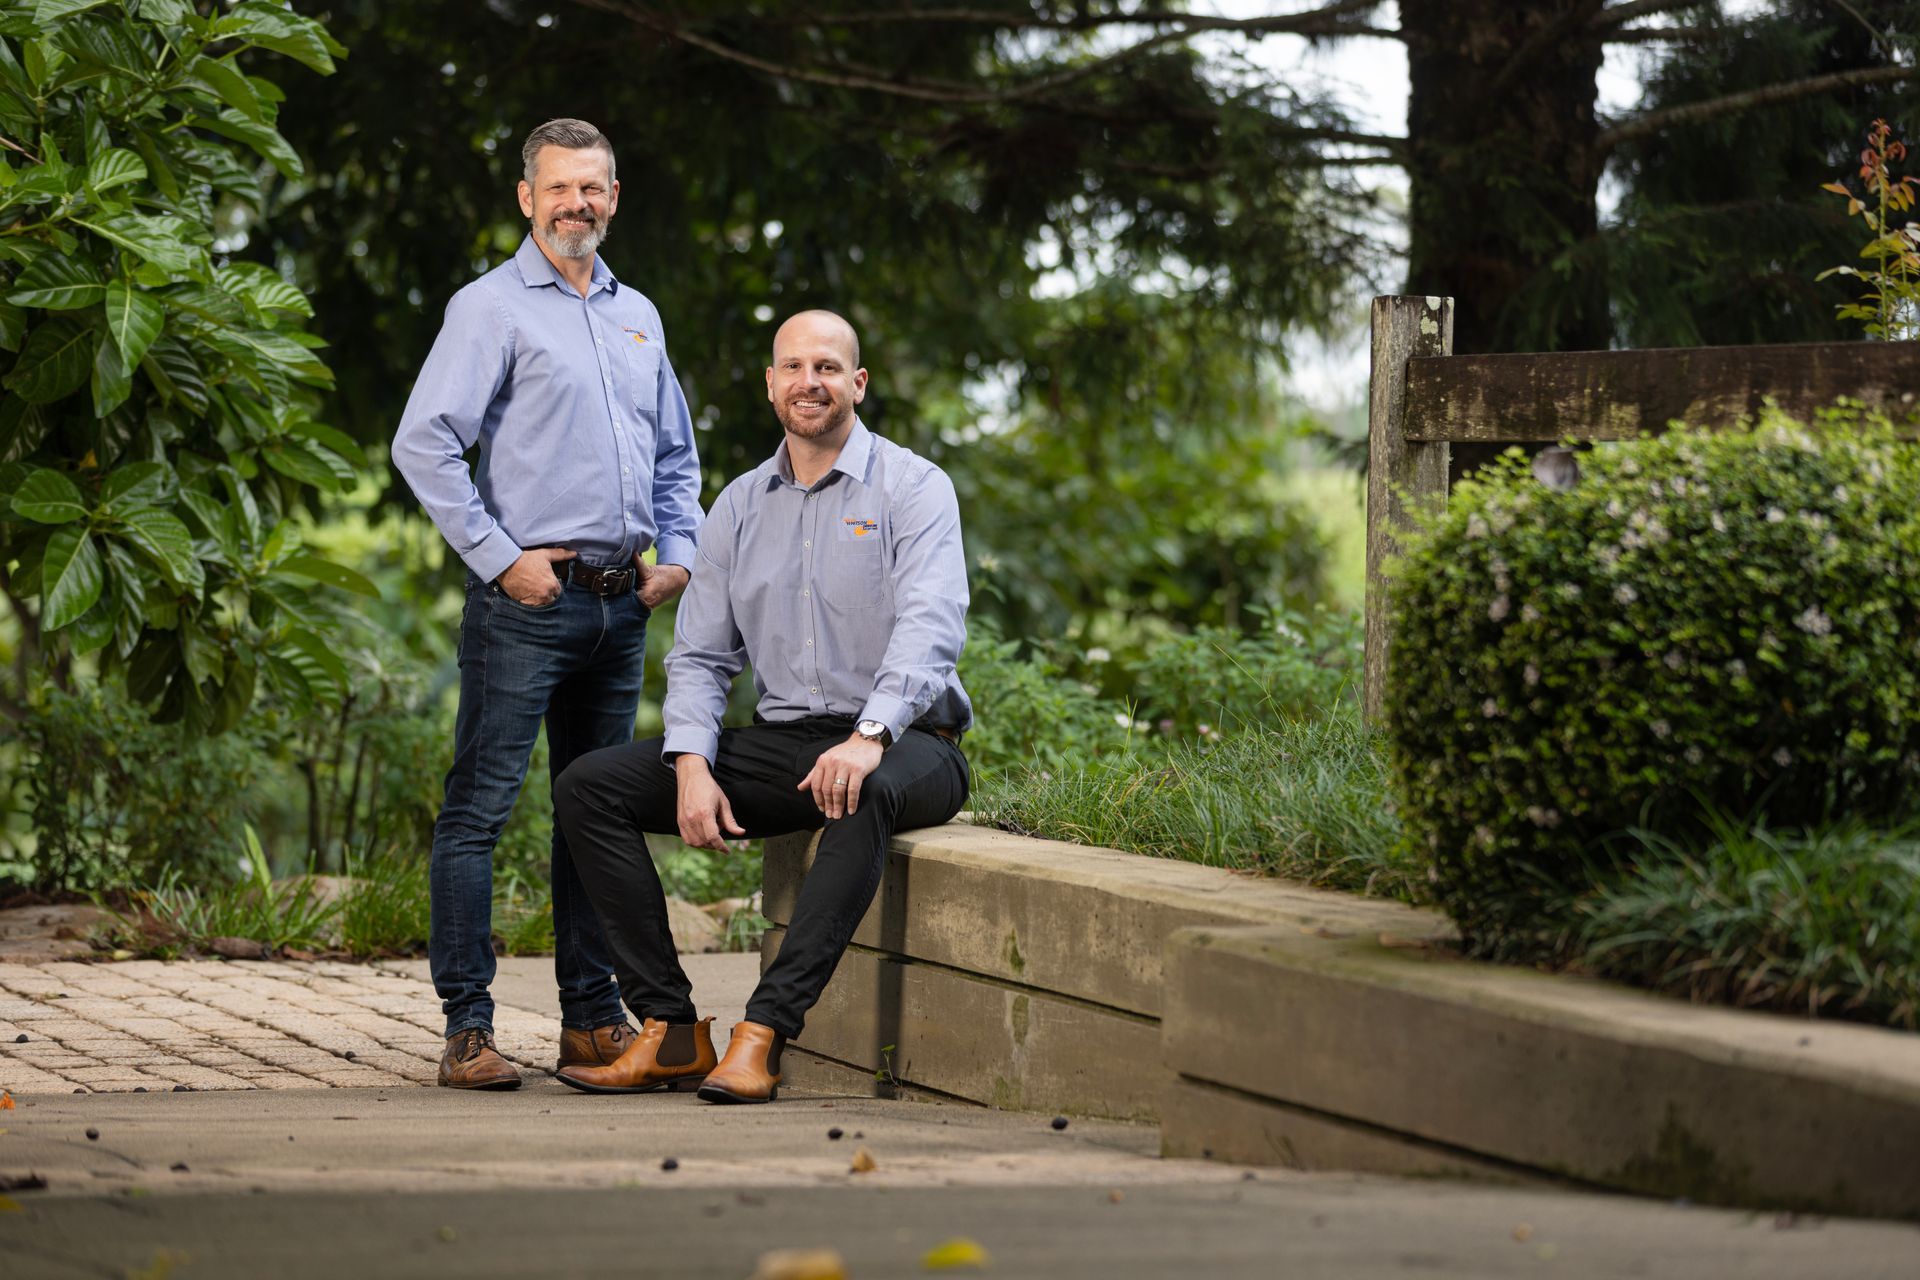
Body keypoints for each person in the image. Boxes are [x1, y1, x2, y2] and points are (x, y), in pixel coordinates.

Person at [550, 309, 971, 1102]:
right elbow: (702, 657)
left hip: (912, 743)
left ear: (857, 383)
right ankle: (671, 1029)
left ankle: (764, 1034)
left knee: (862, 790)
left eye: (828, 367)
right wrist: (691, 764)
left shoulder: (914, 487)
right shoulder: (739, 506)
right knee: (589, 786)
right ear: (772, 385)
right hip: (791, 744)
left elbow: (931, 628)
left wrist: (869, 736)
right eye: (794, 368)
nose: (810, 382)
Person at [392, 118, 702, 1090]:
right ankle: (468, 1028)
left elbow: (675, 454)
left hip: (620, 605)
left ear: (614, 197)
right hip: (526, 605)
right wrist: (499, 560)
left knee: (590, 813)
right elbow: (423, 442)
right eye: (560, 187)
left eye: (593, 187)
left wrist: (679, 555)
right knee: (478, 813)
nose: (578, 203)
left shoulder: (638, 314)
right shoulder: (488, 308)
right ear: (527, 198)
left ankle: (590, 1020)